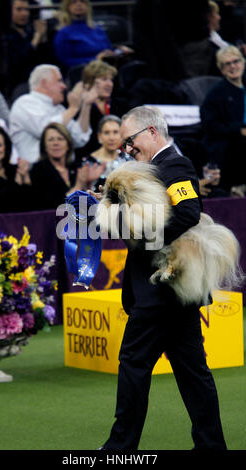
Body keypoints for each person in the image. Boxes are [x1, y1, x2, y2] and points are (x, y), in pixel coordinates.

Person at [93, 106, 227, 450]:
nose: (127, 149)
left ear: (152, 132)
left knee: (135, 367)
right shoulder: (148, 171)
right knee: (193, 374)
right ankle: (211, 446)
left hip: (160, 293)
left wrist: (140, 232)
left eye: (130, 141)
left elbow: (188, 213)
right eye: (124, 144)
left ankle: (119, 448)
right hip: (169, 294)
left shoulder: (175, 166)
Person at [9, 64, 99, 164]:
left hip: (61, 169)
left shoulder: (59, 109)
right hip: (32, 170)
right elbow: (45, 131)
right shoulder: (25, 103)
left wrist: (86, 105)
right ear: (44, 83)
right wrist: (73, 109)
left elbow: (79, 139)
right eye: (59, 81)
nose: (64, 86)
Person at [200, 45, 246, 194]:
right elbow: (211, 126)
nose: (233, 66)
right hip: (226, 143)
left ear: (243, 62)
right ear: (221, 69)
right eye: (227, 64)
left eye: (236, 61)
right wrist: (239, 130)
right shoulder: (216, 94)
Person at [30, 122, 104, 209]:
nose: (56, 143)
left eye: (60, 139)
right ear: (44, 146)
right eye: (51, 139)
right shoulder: (38, 170)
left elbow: (84, 206)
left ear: (68, 145)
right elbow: (54, 207)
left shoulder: (75, 168)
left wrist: (88, 184)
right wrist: (78, 186)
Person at [53, 0, 133, 72]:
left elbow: (108, 50)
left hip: (106, 69)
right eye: (74, 2)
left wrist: (118, 51)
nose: (79, 4)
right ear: (67, 7)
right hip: (83, 72)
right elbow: (66, 62)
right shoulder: (63, 32)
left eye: (82, 1)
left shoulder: (96, 28)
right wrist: (95, 60)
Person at [75, 59, 129, 160]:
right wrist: (87, 105)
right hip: (93, 160)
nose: (109, 84)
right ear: (91, 82)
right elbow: (80, 140)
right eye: (104, 79)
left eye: (111, 80)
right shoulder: (80, 108)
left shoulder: (121, 104)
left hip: (122, 159)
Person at [6, 0, 51, 97]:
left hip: (40, 80)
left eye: (26, 9)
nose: (24, 13)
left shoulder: (30, 32)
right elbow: (19, 61)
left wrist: (43, 38)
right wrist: (37, 37)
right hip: (18, 84)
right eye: (19, 9)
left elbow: (47, 60)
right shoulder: (6, 35)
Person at [83, 114, 131, 190]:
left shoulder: (129, 160)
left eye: (115, 132)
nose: (111, 138)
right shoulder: (88, 163)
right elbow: (81, 199)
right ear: (99, 136)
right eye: (106, 133)